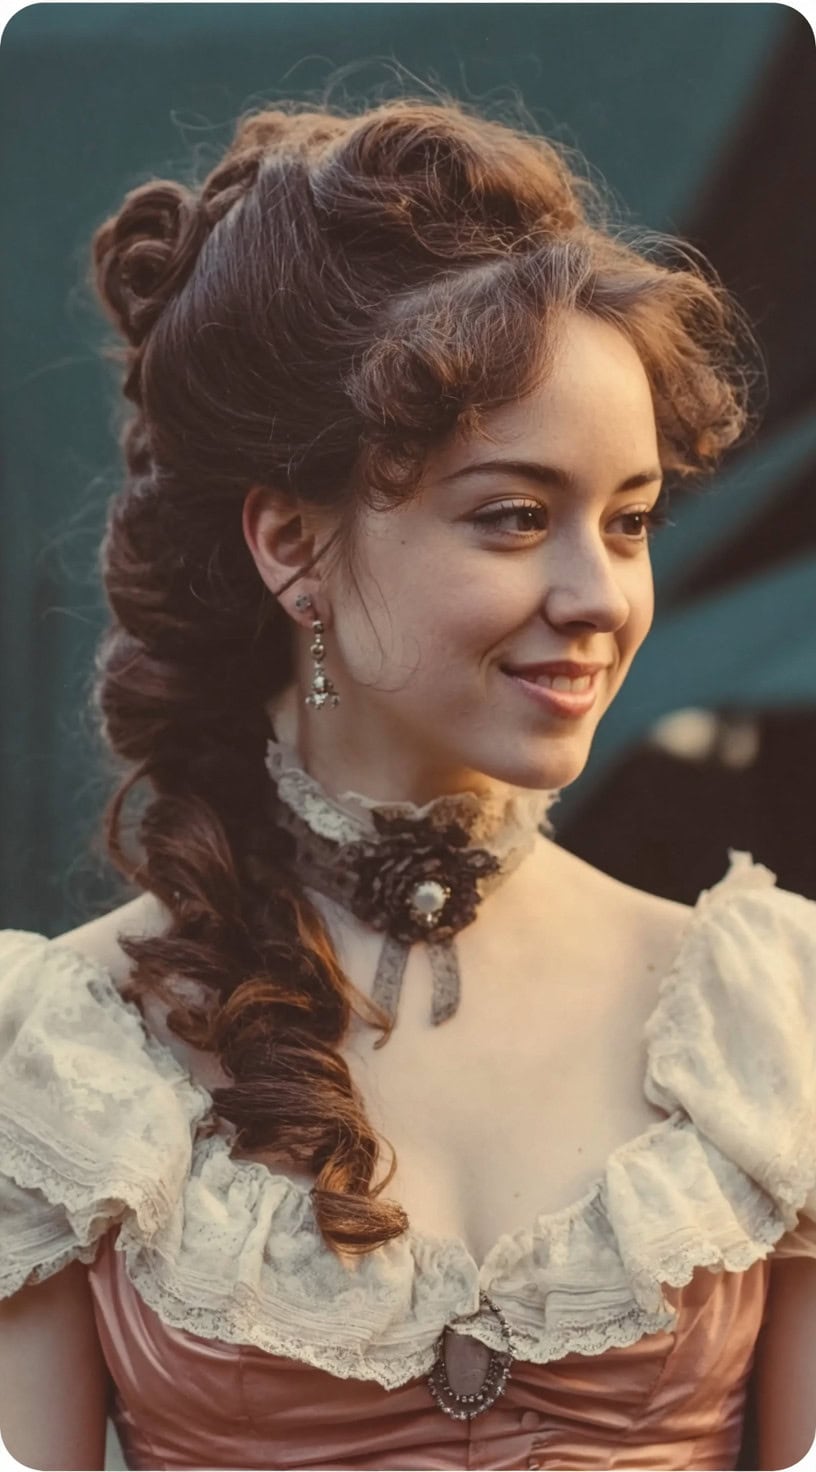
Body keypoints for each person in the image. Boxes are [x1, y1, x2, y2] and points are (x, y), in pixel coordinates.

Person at [1, 94, 814, 1472]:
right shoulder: (57, 1058)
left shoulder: (769, 1013)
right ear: (290, 543)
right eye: (512, 516)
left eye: (627, 523)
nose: (597, 597)